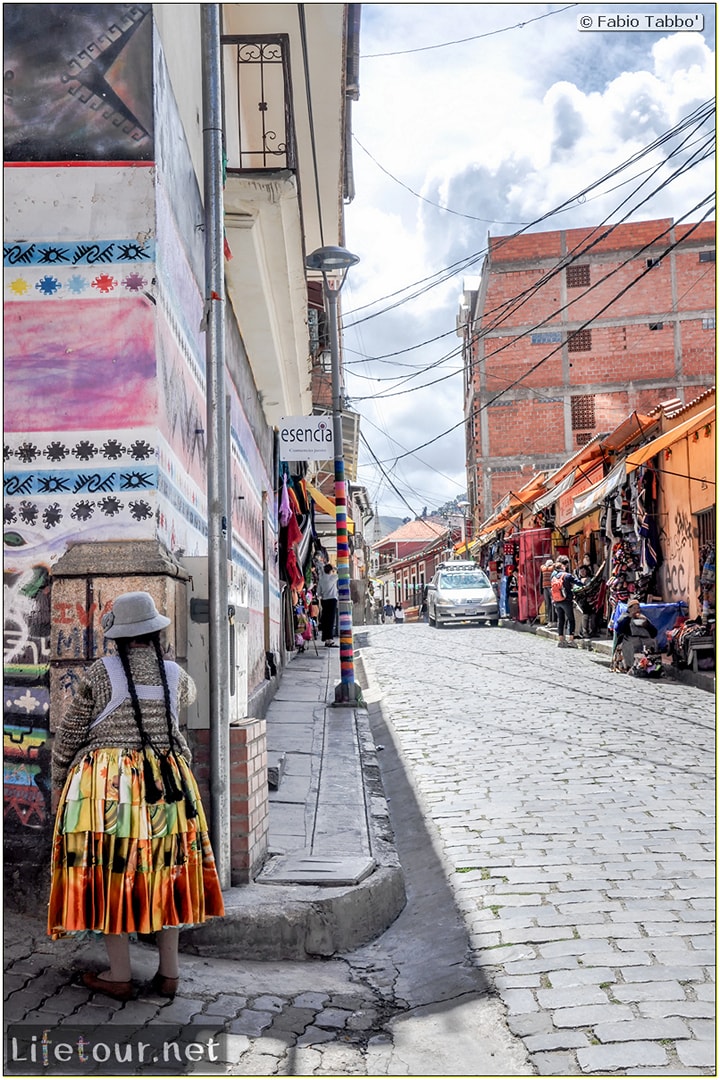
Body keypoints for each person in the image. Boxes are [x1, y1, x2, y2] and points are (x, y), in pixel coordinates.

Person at [47, 591, 224, 1001]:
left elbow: (71, 734)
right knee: (168, 870)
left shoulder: (100, 673)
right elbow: (187, 701)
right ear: (155, 634)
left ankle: (120, 973)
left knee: (111, 871)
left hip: (107, 789)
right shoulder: (177, 677)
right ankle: (169, 974)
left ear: (119, 637)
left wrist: (60, 781)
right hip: (167, 784)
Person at [613, 598, 658, 671]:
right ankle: (629, 665)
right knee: (631, 646)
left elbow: (654, 633)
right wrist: (629, 618)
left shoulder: (643, 618)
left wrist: (647, 625)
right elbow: (619, 629)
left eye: (638, 608)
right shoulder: (624, 617)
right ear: (629, 609)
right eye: (634, 608)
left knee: (651, 644)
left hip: (643, 642)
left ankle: (649, 667)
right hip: (628, 641)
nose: (637, 610)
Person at [551, 556, 577, 648]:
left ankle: (561, 640)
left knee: (560, 620)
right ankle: (571, 640)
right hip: (566, 600)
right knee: (571, 619)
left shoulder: (553, 575)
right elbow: (577, 582)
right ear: (564, 565)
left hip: (556, 600)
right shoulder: (566, 575)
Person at [317, 563, 338, 647]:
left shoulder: (321, 580)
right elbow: (340, 572)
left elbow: (318, 593)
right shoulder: (333, 577)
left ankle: (326, 639)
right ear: (330, 570)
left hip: (324, 601)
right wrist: (335, 568)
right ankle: (329, 640)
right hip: (332, 600)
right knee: (331, 620)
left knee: (326, 620)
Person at [541, 558, 556, 626]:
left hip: (546, 588)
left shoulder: (543, 568)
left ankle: (550, 620)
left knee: (549, 605)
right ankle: (553, 620)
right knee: (552, 604)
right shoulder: (552, 568)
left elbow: (542, 566)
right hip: (551, 587)